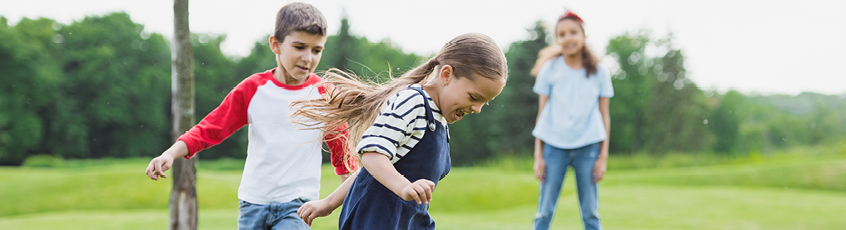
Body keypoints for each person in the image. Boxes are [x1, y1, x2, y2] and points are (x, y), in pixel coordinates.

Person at [143, 3, 357, 229]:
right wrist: (170, 153)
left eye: (316, 50)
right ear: (275, 44)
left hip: (298, 206)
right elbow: (211, 128)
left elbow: (344, 157)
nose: (308, 58)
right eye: (299, 47)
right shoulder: (252, 90)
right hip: (252, 204)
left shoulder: (325, 96)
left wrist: (349, 199)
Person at [290, 33, 508, 230]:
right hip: (376, 219)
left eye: (485, 103)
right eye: (473, 97)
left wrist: (328, 203)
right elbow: (372, 156)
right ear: (446, 75)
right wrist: (404, 187)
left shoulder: (438, 119)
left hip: (408, 220)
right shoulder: (413, 102)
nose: (477, 109)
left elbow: (374, 170)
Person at [530, 10, 614, 230]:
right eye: (562, 34)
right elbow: (542, 114)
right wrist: (538, 155)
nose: (568, 38)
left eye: (573, 32)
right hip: (553, 147)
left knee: (590, 213)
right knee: (544, 212)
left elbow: (604, 115)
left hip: (588, 146)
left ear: (583, 36)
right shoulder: (549, 69)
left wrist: (603, 156)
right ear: (557, 39)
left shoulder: (600, 72)